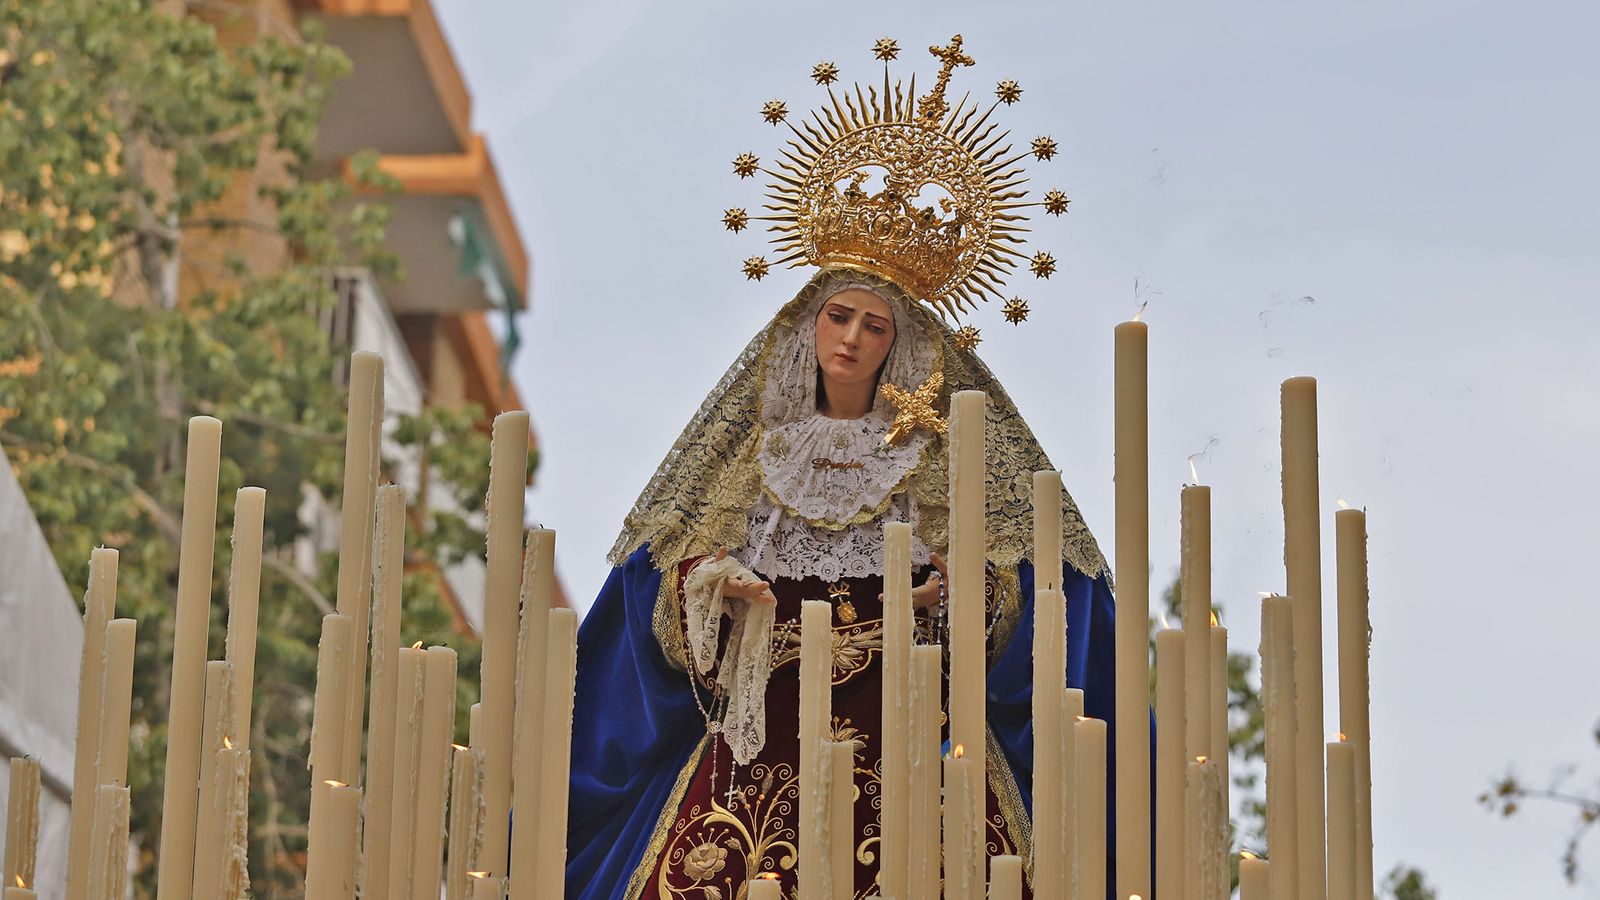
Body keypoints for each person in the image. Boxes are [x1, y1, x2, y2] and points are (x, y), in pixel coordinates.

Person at [565, 35, 1122, 900]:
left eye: (875, 325)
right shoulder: (750, 455)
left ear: (902, 345)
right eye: (839, 315)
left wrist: (957, 594)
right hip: (759, 737)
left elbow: (1029, 597)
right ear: (809, 325)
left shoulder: (938, 454)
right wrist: (711, 587)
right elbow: (656, 594)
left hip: (907, 734)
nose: (853, 339)